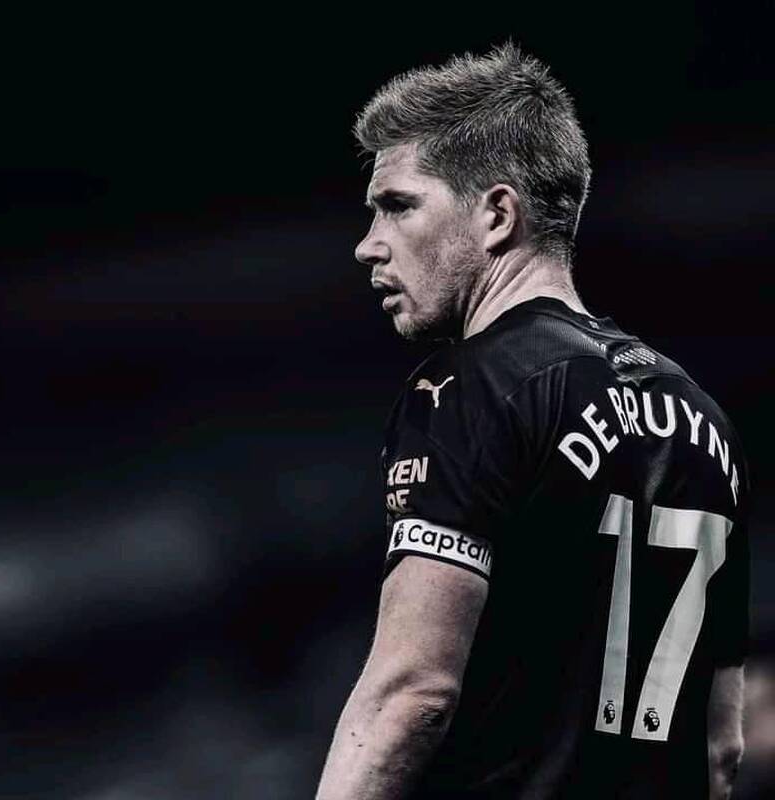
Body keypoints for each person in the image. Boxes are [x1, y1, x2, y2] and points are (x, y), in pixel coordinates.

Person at [316, 42, 749, 799]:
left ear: (496, 214)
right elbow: (721, 748)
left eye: (398, 205)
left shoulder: (471, 388)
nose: (367, 245)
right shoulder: (705, 421)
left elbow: (411, 693)